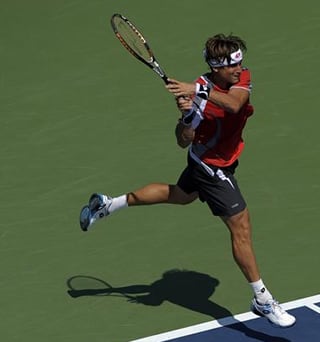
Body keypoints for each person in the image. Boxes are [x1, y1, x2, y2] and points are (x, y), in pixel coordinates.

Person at [78, 33, 296, 328]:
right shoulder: (197, 98)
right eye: (232, 66)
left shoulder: (237, 79)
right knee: (241, 226)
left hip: (223, 159)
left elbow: (235, 105)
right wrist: (187, 118)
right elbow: (183, 141)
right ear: (216, 66)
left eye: (239, 63)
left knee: (181, 194)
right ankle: (262, 298)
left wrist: (197, 91)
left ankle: (107, 205)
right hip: (211, 165)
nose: (239, 69)